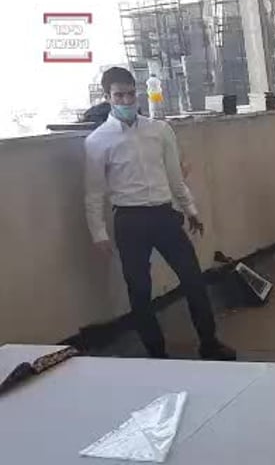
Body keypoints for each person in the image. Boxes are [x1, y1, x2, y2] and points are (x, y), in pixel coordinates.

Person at [84, 67, 235, 361]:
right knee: (140, 291)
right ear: (107, 97)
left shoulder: (159, 130)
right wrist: (98, 233)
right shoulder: (98, 141)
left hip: (164, 215)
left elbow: (175, 177)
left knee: (193, 279)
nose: (126, 101)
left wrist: (191, 210)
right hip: (130, 220)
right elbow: (93, 193)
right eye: (119, 95)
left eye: (130, 94)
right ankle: (157, 353)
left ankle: (209, 343)